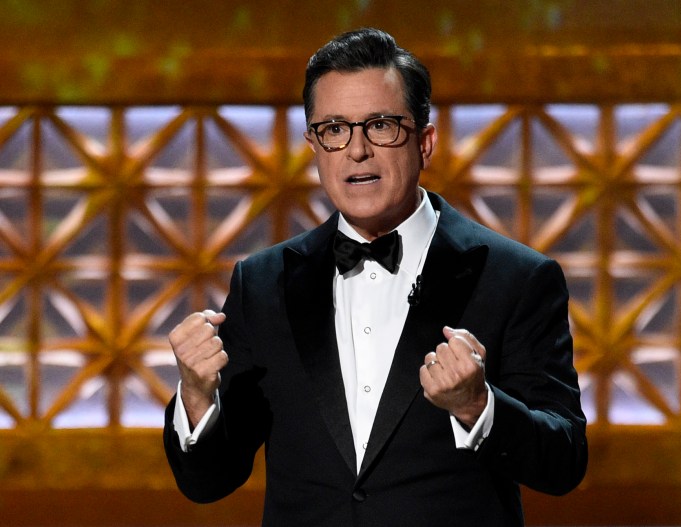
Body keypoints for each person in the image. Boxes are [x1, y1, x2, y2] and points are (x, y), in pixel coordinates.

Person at [163, 27, 587, 526]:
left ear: (425, 142)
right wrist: (195, 395)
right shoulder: (262, 284)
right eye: (335, 129)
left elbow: (564, 462)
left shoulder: (516, 278)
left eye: (381, 125)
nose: (357, 150)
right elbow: (208, 482)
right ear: (314, 145)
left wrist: (479, 406)